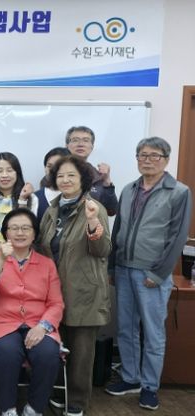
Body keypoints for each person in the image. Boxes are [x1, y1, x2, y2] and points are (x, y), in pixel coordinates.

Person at [105, 137, 192, 411]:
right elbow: (118, 229)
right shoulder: (129, 189)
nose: (148, 160)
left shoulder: (178, 191)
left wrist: (159, 273)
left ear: (166, 160)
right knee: (125, 329)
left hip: (152, 273)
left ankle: (150, 387)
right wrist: (112, 265)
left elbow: (178, 237)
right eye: (142, 155)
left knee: (153, 333)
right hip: (124, 268)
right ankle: (130, 378)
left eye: (155, 155)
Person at [39, 155, 111, 416]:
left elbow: (102, 249)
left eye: (71, 175)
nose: (65, 180)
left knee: (81, 352)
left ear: (83, 179)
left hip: (84, 291)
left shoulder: (94, 207)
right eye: (60, 176)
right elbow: (42, 246)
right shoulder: (52, 209)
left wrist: (92, 223)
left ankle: (77, 402)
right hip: (54, 292)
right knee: (57, 345)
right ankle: (60, 392)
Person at [0, 208, 64, 416]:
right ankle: (8, 409)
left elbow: (56, 303)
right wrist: (1, 260)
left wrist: (43, 327)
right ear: (6, 233)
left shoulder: (47, 264)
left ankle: (34, 409)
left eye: (25, 228)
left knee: (48, 354)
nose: (19, 233)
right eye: (14, 228)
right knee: (8, 353)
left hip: (38, 323)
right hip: (2, 324)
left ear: (34, 234)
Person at [0, 152, 37, 260]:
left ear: (17, 173)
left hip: (22, 260)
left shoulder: (30, 198)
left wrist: (22, 200)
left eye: (9, 170)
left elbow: (30, 229)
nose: (4, 175)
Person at [64, 126, 118, 215]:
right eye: (75, 140)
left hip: (92, 223)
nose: (80, 144)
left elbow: (111, 211)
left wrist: (107, 182)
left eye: (86, 140)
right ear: (67, 146)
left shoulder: (98, 175)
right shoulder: (57, 172)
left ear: (92, 147)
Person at [33, 147, 70, 222]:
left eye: (58, 166)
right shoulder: (35, 197)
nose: (53, 170)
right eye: (49, 166)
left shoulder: (80, 197)